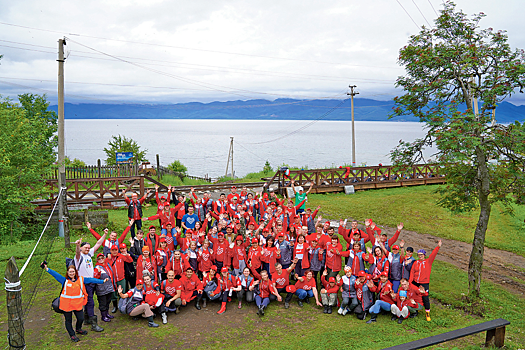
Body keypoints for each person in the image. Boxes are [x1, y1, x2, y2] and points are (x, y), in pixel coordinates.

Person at [42, 262, 105, 342]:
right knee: (68, 320)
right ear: (67, 273)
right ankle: (72, 335)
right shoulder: (64, 280)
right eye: (70, 272)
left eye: (73, 271)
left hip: (77, 305)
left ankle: (78, 329)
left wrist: (101, 281)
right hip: (66, 305)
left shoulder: (81, 280)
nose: (71, 273)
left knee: (81, 318)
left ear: (75, 272)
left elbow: (91, 280)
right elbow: (56, 275)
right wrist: (47, 269)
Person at [74, 235, 106, 332]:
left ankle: (86, 319)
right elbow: (77, 253)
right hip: (84, 283)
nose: (88, 249)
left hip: (91, 282)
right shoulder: (78, 257)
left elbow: (98, 243)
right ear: (81, 248)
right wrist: (77, 246)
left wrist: (105, 234)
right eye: (85, 247)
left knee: (87, 301)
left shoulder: (88, 254)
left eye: (88, 247)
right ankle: (93, 324)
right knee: (90, 302)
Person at [409, 240, 442, 321]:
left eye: (421, 255)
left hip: (424, 283)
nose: (420, 256)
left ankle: (427, 313)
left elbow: (433, 255)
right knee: (415, 296)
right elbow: (412, 272)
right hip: (415, 282)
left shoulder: (428, 262)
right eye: (419, 255)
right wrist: (410, 282)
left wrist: (438, 247)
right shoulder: (416, 262)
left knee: (425, 297)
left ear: (424, 255)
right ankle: (416, 310)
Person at [106, 244, 133, 313]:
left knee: (122, 292)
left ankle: (122, 305)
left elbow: (130, 260)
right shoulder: (108, 259)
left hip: (121, 278)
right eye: (113, 250)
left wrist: (127, 255)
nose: (114, 252)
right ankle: (115, 306)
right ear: (110, 251)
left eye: (116, 250)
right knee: (114, 293)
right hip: (113, 279)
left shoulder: (121, 256)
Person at [93, 253, 115, 323]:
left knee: (108, 301)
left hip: (108, 287)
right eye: (99, 259)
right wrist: (98, 273)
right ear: (97, 260)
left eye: (102, 258)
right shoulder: (97, 267)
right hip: (101, 289)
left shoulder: (107, 265)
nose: (101, 260)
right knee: (103, 303)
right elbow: (95, 278)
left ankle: (107, 314)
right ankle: (103, 316)